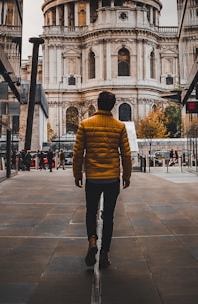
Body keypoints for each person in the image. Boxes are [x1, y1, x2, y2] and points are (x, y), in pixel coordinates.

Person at [73, 91, 132, 269]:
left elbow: (78, 153)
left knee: (91, 212)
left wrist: (77, 174)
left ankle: (92, 241)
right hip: (112, 178)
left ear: (97, 104)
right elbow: (126, 154)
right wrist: (126, 175)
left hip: (92, 176)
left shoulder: (85, 124)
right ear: (113, 106)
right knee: (108, 216)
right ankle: (104, 253)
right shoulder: (119, 126)